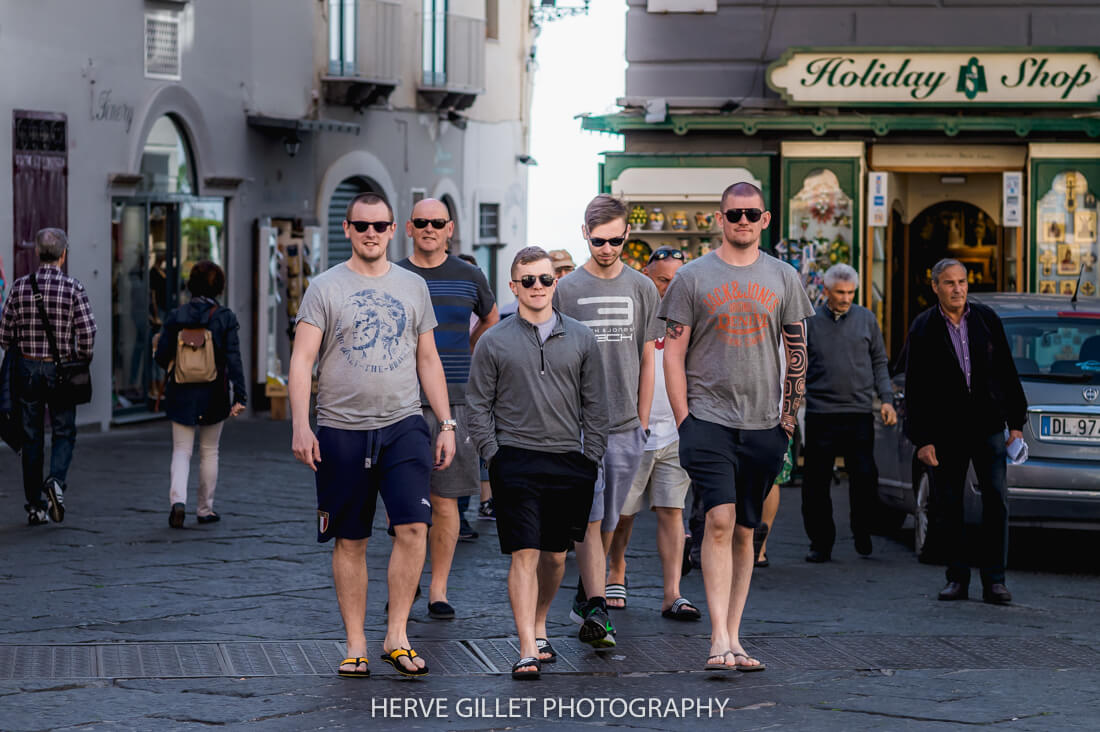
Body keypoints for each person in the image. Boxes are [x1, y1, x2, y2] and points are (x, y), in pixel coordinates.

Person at [289, 192, 455, 678]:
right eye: (362, 226)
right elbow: (301, 360)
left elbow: (428, 358)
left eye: (380, 226)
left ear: (392, 230)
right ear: (347, 230)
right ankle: (356, 643)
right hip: (341, 428)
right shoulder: (324, 287)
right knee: (350, 539)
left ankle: (397, 635)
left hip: (405, 425)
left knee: (413, 528)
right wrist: (301, 423)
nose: (371, 234)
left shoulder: (412, 286)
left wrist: (444, 423)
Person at [660, 182, 814, 672]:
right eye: (733, 214)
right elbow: (674, 353)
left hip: (766, 423)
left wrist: (788, 419)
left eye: (751, 214)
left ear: (764, 219)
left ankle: (736, 636)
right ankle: (717, 637)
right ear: (720, 219)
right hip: (708, 420)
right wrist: (684, 418)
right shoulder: (691, 277)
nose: (742, 221)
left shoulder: (784, 277)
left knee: (746, 529)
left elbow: (797, 351)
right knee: (719, 521)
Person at [466, 246, 608, 679]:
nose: (538, 287)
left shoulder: (582, 337)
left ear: (555, 282)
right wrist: (494, 456)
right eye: (528, 280)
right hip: (516, 461)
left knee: (555, 558)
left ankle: (540, 622)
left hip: (569, 461)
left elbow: (597, 403)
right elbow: (477, 406)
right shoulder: (493, 340)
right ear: (514, 287)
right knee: (524, 553)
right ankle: (527, 645)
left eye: (545, 279)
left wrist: (590, 456)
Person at [554, 194, 661, 637]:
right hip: (579, 425)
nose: (607, 248)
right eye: (599, 240)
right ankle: (596, 607)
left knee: (612, 518)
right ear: (585, 233)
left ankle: (586, 592)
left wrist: (641, 419)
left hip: (625, 425)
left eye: (616, 240)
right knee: (590, 514)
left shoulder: (642, 287)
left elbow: (648, 357)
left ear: (627, 235)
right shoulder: (566, 289)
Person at [904, 258, 1026, 605]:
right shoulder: (924, 327)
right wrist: (922, 438)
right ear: (935, 287)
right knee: (949, 504)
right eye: (949, 283)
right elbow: (916, 388)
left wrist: (1016, 424)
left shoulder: (986, 320)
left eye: (961, 282)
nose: (957, 289)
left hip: (988, 426)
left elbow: (1006, 370)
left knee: (997, 501)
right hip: (946, 431)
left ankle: (995, 581)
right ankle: (956, 578)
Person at [397, 199, 498, 616]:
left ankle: (438, 589)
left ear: (450, 228)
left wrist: (467, 351)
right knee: (406, 502)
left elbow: (491, 319)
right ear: (408, 227)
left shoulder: (469, 275)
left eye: (437, 222)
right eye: (422, 222)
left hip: (456, 398)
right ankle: (409, 582)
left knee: (447, 499)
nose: (429, 228)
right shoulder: (395, 274)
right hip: (400, 400)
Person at [606, 247, 701, 621]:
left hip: (676, 430)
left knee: (672, 511)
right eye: (663, 280)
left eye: (676, 280)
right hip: (635, 428)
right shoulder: (637, 312)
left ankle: (672, 593)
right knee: (624, 512)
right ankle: (616, 570)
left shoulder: (692, 316)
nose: (670, 287)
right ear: (648, 277)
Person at [0, 228, 96, 526]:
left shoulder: (19, 287)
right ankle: (55, 481)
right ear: (63, 254)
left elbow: (4, 335)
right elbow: (88, 333)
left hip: (28, 369)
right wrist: (80, 357)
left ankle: (35, 506)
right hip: (61, 370)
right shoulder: (73, 288)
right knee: (64, 430)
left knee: (31, 437)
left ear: (37, 253)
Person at [801, 263, 896, 562]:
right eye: (840, 292)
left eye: (850, 292)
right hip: (820, 412)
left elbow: (880, 362)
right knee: (816, 482)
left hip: (858, 412)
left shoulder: (866, 319)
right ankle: (821, 543)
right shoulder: (811, 322)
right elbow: (796, 362)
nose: (845, 298)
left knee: (865, 477)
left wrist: (887, 399)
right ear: (826, 291)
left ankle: (862, 530)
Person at [154, 261, 247, 528]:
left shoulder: (176, 315)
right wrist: (240, 395)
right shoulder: (225, 317)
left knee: (181, 449)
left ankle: (177, 501)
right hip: (214, 391)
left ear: (190, 285)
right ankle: (205, 509)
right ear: (219, 287)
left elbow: (162, 357)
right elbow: (234, 359)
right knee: (209, 450)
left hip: (181, 390)